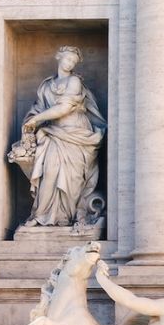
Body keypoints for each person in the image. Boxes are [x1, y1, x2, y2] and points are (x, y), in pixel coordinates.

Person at [14, 46, 105, 227]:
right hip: (54, 135)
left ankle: (66, 217)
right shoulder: (47, 86)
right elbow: (37, 109)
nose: (70, 63)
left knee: (73, 180)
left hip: (77, 136)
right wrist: (32, 121)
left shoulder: (74, 82)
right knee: (49, 172)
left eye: (73, 61)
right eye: (67, 59)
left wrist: (38, 119)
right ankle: (41, 215)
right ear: (59, 58)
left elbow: (63, 109)